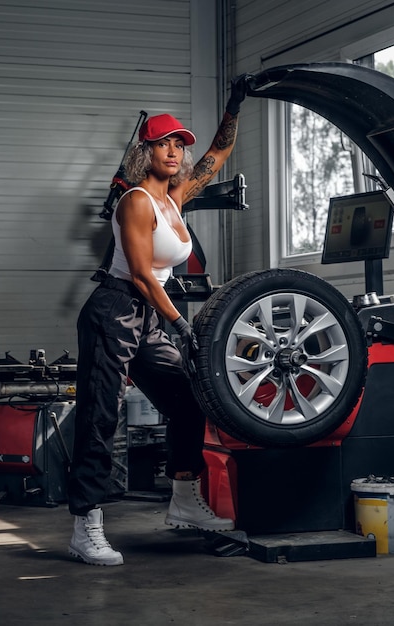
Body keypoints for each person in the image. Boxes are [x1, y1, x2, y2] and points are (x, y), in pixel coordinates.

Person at [67, 75, 249, 566]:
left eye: (177, 144)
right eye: (162, 143)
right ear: (143, 152)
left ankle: (185, 503)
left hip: (147, 316)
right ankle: (87, 525)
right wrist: (185, 327)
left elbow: (218, 153)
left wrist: (235, 103)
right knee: (100, 418)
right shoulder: (135, 202)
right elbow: (146, 277)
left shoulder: (175, 198)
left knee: (189, 403)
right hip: (114, 309)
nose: (172, 151)